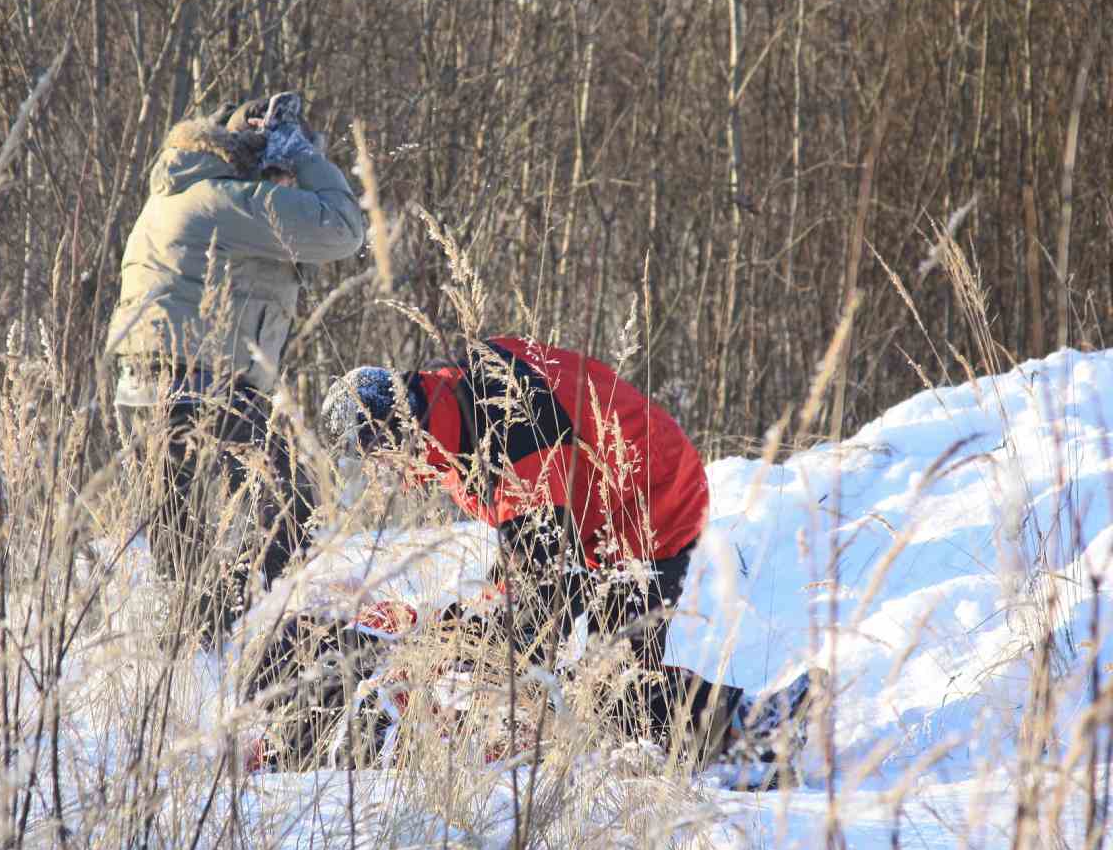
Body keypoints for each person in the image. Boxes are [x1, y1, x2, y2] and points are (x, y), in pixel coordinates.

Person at [246, 337, 822, 785]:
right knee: (570, 673)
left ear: (397, 434)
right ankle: (734, 726)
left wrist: (445, 645)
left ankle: (759, 726)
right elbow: (531, 554)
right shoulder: (448, 403)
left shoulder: (509, 439)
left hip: (650, 501)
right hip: (591, 497)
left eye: (376, 459)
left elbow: (537, 612)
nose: (380, 476)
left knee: (608, 684)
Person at [105, 91, 364, 644]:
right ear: (250, 161)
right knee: (292, 508)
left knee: (181, 547)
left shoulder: (176, 194)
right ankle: (235, 629)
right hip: (201, 385)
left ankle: (186, 650)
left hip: (144, 389)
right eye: (280, 173)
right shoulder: (224, 200)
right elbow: (343, 228)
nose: (287, 187)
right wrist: (305, 157)